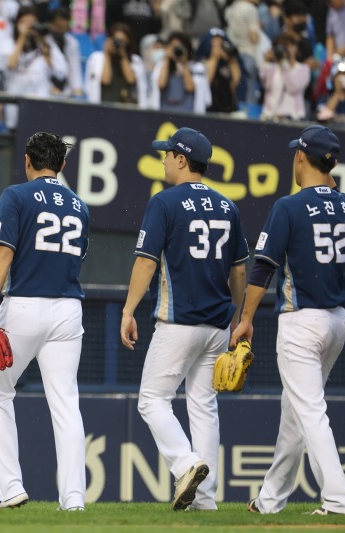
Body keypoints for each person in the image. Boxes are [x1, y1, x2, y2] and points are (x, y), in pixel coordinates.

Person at [120, 128, 248, 511]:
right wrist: (238, 319)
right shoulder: (229, 206)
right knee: (203, 406)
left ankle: (186, 464)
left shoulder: (165, 202)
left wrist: (128, 310)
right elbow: (240, 271)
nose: (163, 160)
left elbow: (146, 260)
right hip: (218, 324)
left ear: (181, 159)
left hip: (179, 323)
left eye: (167, 154)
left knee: (152, 400)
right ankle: (205, 501)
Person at [233, 125, 345, 516]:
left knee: (309, 411)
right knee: (296, 413)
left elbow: (263, 268)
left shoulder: (289, 206)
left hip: (302, 322)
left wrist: (245, 319)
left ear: (301, 156)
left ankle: (339, 500)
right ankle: (270, 500)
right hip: (337, 321)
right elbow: (330, 191)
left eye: (296, 152)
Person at [0, 132, 89, 511]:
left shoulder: (17, 195)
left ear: (27, 160)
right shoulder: (79, 205)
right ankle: (73, 499)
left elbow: (3, 252)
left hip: (25, 305)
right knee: (66, 402)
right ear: (63, 165)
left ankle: (9, 488)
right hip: (69, 310)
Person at [3, 7, 68, 129]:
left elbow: (62, 72)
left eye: (32, 22)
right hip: (15, 106)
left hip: (40, 108)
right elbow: (10, 64)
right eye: (25, 22)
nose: (29, 26)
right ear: (17, 23)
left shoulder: (46, 44)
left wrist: (46, 51)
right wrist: (22, 37)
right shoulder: (9, 42)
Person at [85, 22, 148, 107]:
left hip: (127, 108)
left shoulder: (135, 60)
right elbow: (105, 80)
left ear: (128, 41)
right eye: (116, 40)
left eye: (122, 41)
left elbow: (131, 80)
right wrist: (107, 54)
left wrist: (123, 56)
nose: (118, 44)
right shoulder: (98, 58)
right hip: (105, 106)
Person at [148, 31, 211, 114]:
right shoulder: (162, 65)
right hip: (165, 114)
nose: (175, 50)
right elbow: (161, 85)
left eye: (179, 47)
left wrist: (184, 63)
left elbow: (190, 88)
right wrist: (167, 59)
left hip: (187, 114)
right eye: (173, 46)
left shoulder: (196, 67)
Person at [260, 34, 311, 121]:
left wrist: (285, 66)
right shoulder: (273, 67)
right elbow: (266, 85)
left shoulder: (303, 69)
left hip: (293, 116)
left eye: (287, 46)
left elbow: (293, 89)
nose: (284, 50)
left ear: (295, 48)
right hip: (270, 115)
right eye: (281, 47)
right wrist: (266, 61)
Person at [197, 28, 242, 114]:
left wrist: (231, 60)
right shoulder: (201, 61)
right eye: (214, 39)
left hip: (227, 107)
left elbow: (236, 82)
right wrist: (214, 57)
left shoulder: (227, 62)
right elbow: (207, 82)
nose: (218, 42)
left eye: (220, 39)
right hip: (209, 109)